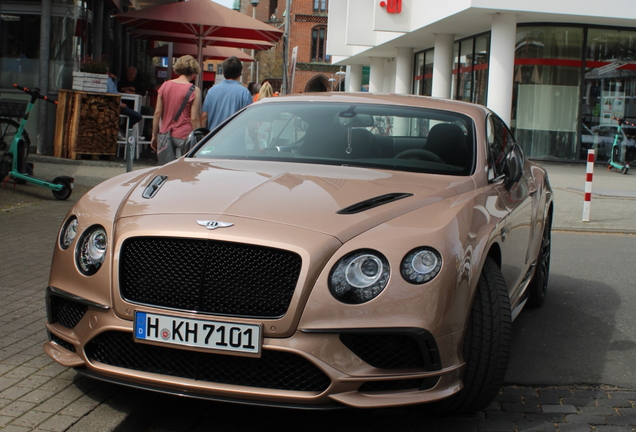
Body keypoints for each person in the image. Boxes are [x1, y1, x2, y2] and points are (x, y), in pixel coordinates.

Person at [151, 55, 202, 164]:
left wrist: (154, 135)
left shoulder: (165, 85)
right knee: (183, 169)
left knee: (166, 169)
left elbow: (157, 113)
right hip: (184, 135)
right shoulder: (195, 90)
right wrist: (199, 139)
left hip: (165, 134)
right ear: (194, 72)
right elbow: (194, 119)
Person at [201, 56, 252, 131]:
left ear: (223, 72)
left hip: (213, 137)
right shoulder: (244, 93)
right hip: (234, 138)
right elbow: (248, 119)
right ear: (239, 74)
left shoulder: (211, 91)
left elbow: (204, 117)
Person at [107, 71, 142, 140]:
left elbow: (115, 92)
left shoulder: (111, 80)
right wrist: (119, 104)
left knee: (137, 114)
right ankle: (121, 130)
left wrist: (115, 80)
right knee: (137, 116)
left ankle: (124, 131)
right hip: (114, 105)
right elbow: (111, 94)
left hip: (119, 103)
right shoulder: (106, 81)